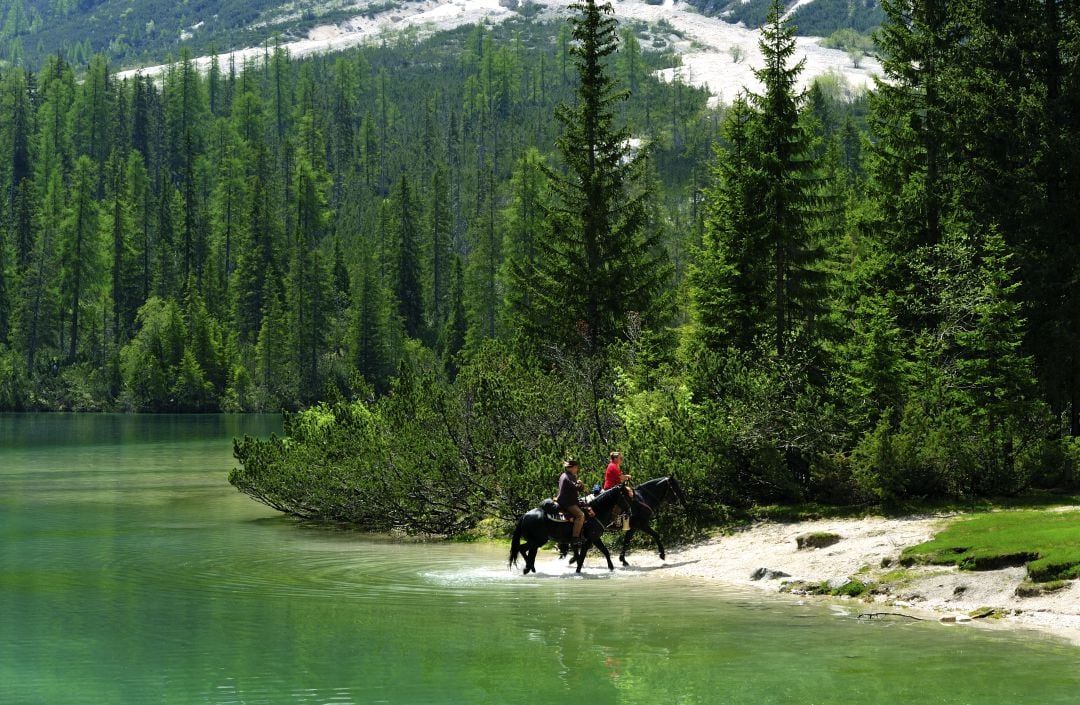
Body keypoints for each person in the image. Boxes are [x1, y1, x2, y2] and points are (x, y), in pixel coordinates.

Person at [556, 459, 587, 545]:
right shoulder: (568, 476)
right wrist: (580, 484)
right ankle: (575, 537)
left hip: (567, 500)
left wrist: (578, 482)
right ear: (571, 468)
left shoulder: (565, 475)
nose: (577, 469)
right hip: (567, 502)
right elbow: (577, 487)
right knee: (581, 515)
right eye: (576, 468)